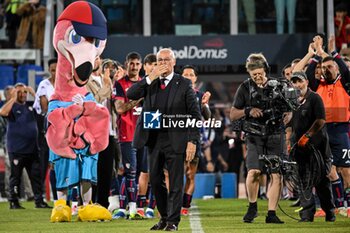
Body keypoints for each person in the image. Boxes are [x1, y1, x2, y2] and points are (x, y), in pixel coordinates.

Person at [127, 48, 201, 231]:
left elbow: (195, 115)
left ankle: (173, 221)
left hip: (176, 139)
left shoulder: (183, 83)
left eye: (167, 60)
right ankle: (164, 217)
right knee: (156, 179)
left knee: (175, 182)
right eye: (160, 60)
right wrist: (149, 77)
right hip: (153, 140)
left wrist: (192, 141)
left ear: (174, 63)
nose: (163, 63)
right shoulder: (150, 82)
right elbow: (130, 94)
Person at [230, 53, 284, 224]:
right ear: (249, 74)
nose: (257, 77)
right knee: (254, 172)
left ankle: (272, 213)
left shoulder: (278, 86)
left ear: (265, 70)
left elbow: (289, 109)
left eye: (260, 73)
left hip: (275, 133)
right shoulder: (245, 88)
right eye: (254, 75)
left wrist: (287, 115)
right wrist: (248, 111)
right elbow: (232, 114)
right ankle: (252, 206)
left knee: (276, 174)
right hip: (254, 135)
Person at [302, 35, 350, 217]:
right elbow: (307, 76)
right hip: (323, 131)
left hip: (342, 130)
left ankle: (349, 205)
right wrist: (315, 56)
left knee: (346, 170)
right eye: (323, 67)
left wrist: (333, 53)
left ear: (337, 67)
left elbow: (345, 71)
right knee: (328, 171)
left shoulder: (345, 83)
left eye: (330, 66)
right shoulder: (317, 85)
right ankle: (339, 204)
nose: (325, 69)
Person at [286, 71, 336, 222]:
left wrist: (307, 136)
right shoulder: (291, 101)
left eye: (300, 81)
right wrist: (290, 141)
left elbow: (321, 120)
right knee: (302, 181)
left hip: (318, 147)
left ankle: (329, 210)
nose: (297, 85)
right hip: (299, 149)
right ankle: (307, 215)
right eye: (294, 82)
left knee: (321, 181)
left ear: (306, 82)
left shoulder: (315, 98)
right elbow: (289, 124)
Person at [0, 83, 50, 209]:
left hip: (32, 149)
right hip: (17, 149)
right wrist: (13, 97)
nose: (23, 94)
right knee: (15, 177)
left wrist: (34, 94)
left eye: (24, 92)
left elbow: (44, 109)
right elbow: (2, 112)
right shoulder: (11, 107)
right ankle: (14, 201)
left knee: (36, 177)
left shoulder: (30, 107)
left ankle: (39, 201)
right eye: (19, 92)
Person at [111, 52, 144, 220]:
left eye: (137, 64)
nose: (135, 67)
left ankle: (131, 207)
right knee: (130, 172)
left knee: (140, 173)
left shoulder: (145, 84)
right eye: (132, 63)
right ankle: (131, 207)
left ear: (141, 66)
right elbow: (120, 108)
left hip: (144, 135)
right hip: (127, 134)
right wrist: (138, 100)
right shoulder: (119, 84)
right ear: (126, 64)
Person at [180, 64, 212, 216]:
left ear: (195, 78)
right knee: (174, 175)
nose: (188, 77)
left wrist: (205, 105)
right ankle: (171, 205)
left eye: (191, 74)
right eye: (185, 74)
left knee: (190, 175)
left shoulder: (200, 95)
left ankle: (185, 207)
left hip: (194, 139)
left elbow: (208, 116)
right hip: (176, 139)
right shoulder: (174, 94)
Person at [86, 57, 116, 210]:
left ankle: (103, 205)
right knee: (93, 171)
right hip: (93, 133)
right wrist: (107, 84)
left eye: (98, 58)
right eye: (94, 58)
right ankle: (89, 205)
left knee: (107, 171)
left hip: (110, 132)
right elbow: (94, 102)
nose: (97, 60)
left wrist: (114, 82)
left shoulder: (109, 80)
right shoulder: (85, 81)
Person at [33, 58, 57, 202]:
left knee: (58, 164)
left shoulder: (65, 83)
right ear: (49, 70)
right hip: (46, 127)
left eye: (57, 69)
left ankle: (60, 197)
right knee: (43, 163)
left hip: (61, 129)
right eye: (53, 70)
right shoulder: (44, 84)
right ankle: (39, 197)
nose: (55, 72)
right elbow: (44, 108)